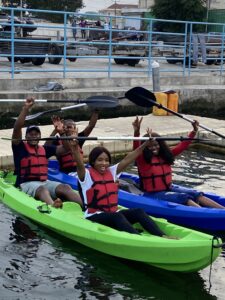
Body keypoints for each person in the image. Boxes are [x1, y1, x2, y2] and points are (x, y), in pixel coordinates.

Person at [68, 137, 174, 238]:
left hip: (112, 214)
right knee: (117, 216)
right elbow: (79, 164)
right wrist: (75, 149)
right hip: (94, 216)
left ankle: (162, 236)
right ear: (93, 161)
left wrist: (145, 144)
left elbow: (128, 159)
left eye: (106, 160)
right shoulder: (86, 176)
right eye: (99, 160)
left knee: (138, 211)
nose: (104, 163)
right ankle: (138, 238)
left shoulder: (112, 172)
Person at [132, 116, 225, 209]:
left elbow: (183, 145)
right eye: (150, 146)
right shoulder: (142, 160)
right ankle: (206, 214)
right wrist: (136, 132)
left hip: (169, 188)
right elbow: (136, 149)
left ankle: (222, 210)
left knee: (196, 194)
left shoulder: (165, 156)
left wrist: (194, 131)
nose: (154, 148)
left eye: (156, 145)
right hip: (152, 194)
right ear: (145, 147)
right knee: (184, 198)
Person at [11, 97, 82, 208]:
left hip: (44, 182)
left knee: (66, 187)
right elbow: (17, 128)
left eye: (36, 134)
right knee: (42, 190)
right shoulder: (19, 147)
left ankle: (86, 207)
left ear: (40, 136)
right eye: (31, 134)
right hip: (26, 184)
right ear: (26, 136)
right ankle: (53, 208)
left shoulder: (44, 149)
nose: (34, 136)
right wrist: (26, 109)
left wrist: (62, 132)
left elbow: (65, 149)